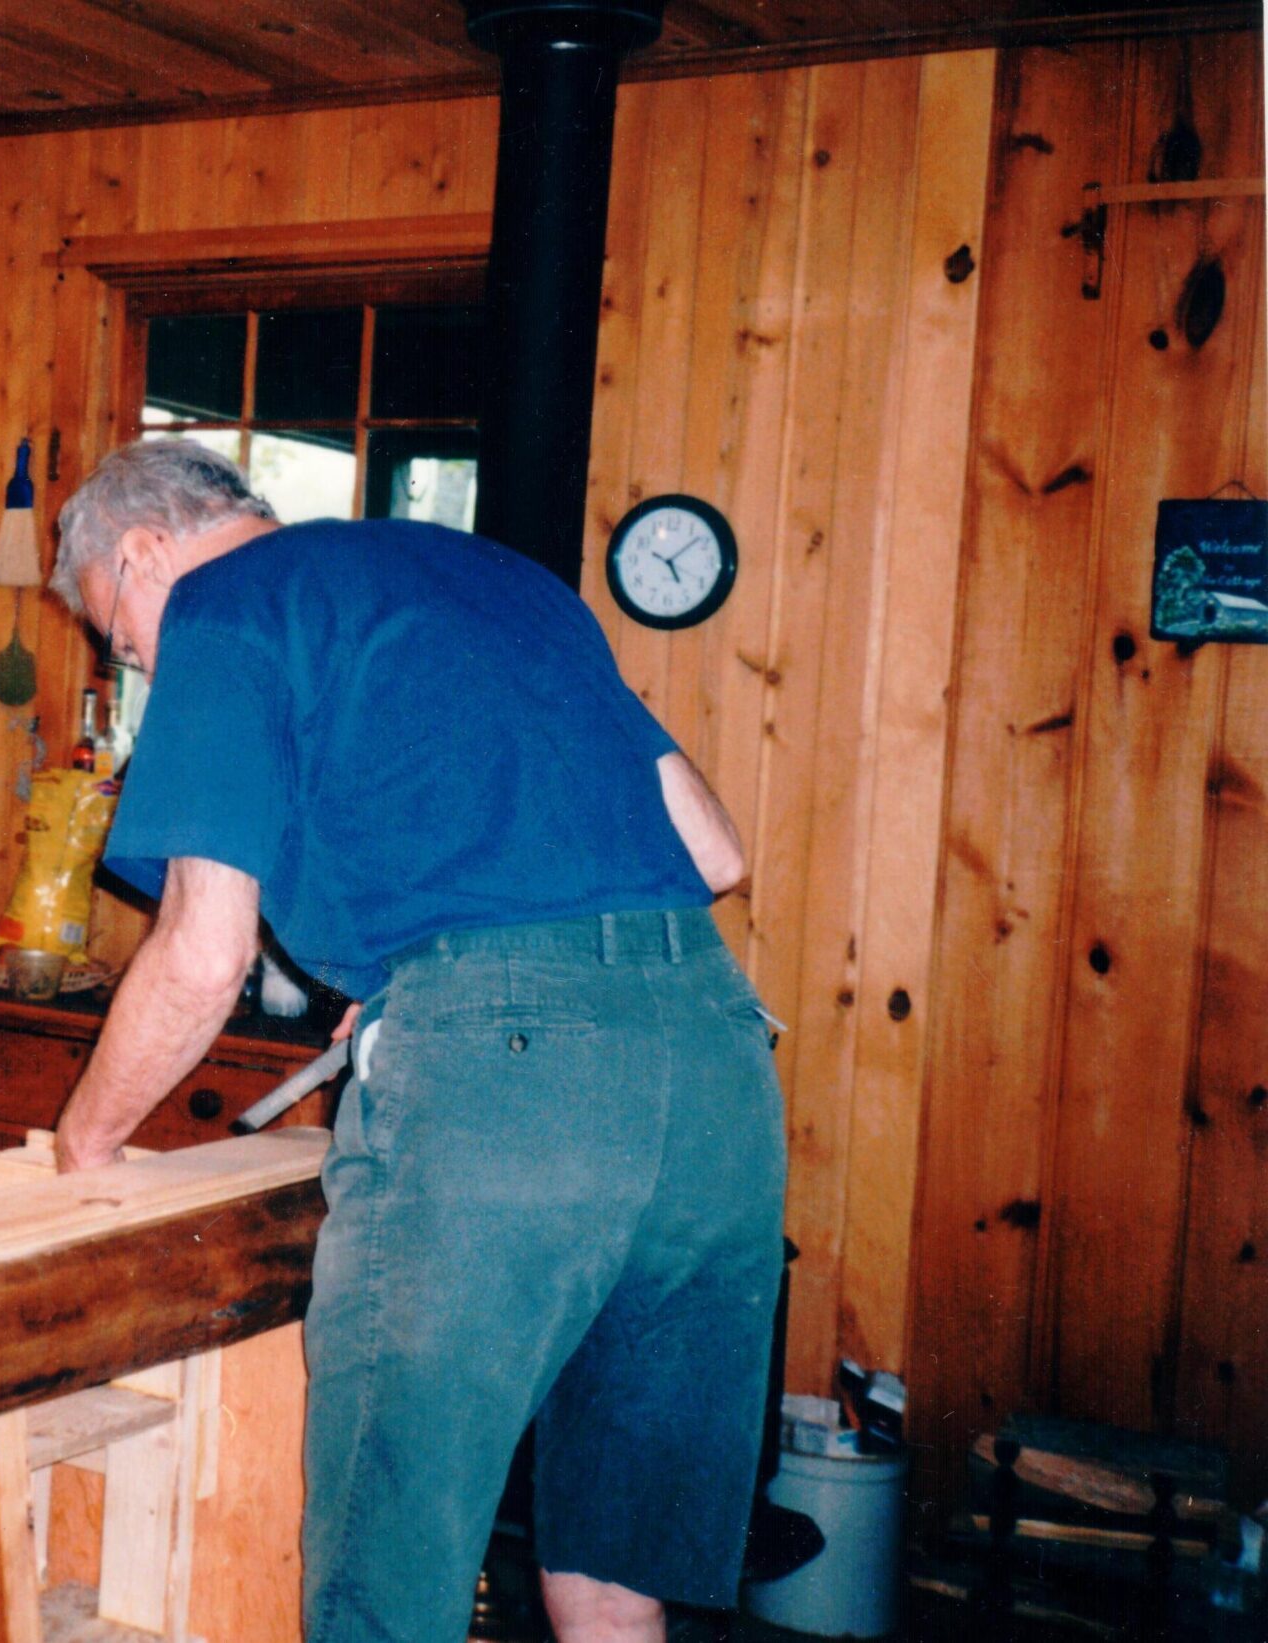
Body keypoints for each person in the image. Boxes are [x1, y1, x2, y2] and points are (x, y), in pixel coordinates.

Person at [45, 440, 781, 1643]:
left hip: (515, 1096)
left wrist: (81, 1147)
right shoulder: (501, 579)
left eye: (122, 643)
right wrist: (433, 961)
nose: (139, 667)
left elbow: (202, 950)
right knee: (608, 1577)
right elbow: (713, 853)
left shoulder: (221, 602)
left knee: (385, 1583)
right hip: (712, 1059)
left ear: (141, 553)